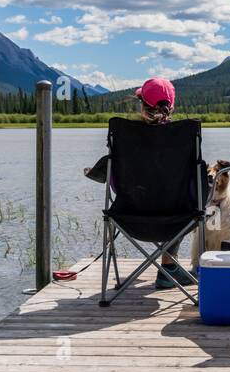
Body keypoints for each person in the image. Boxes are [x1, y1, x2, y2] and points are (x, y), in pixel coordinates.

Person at [85, 77, 199, 290]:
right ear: (171, 107)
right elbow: (194, 190)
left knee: (177, 199)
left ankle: (169, 270)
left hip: (129, 217)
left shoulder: (125, 136)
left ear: (142, 104)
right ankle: (169, 268)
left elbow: (116, 187)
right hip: (177, 220)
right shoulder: (182, 138)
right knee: (191, 199)